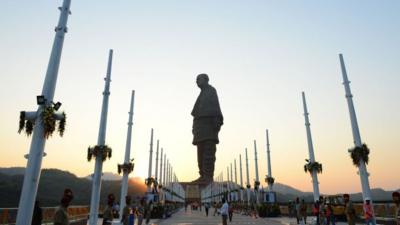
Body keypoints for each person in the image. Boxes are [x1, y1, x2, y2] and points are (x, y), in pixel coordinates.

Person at [191, 73, 224, 183]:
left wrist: (216, 123)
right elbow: (196, 113)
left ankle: (208, 176)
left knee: (208, 153)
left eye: (198, 79)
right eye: (196, 79)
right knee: (200, 154)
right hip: (200, 129)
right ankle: (202, 175)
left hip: (209, 127)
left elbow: (215, 108)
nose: (196, 81)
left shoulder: (211, 91)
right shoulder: (201, 94)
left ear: (206, 79)